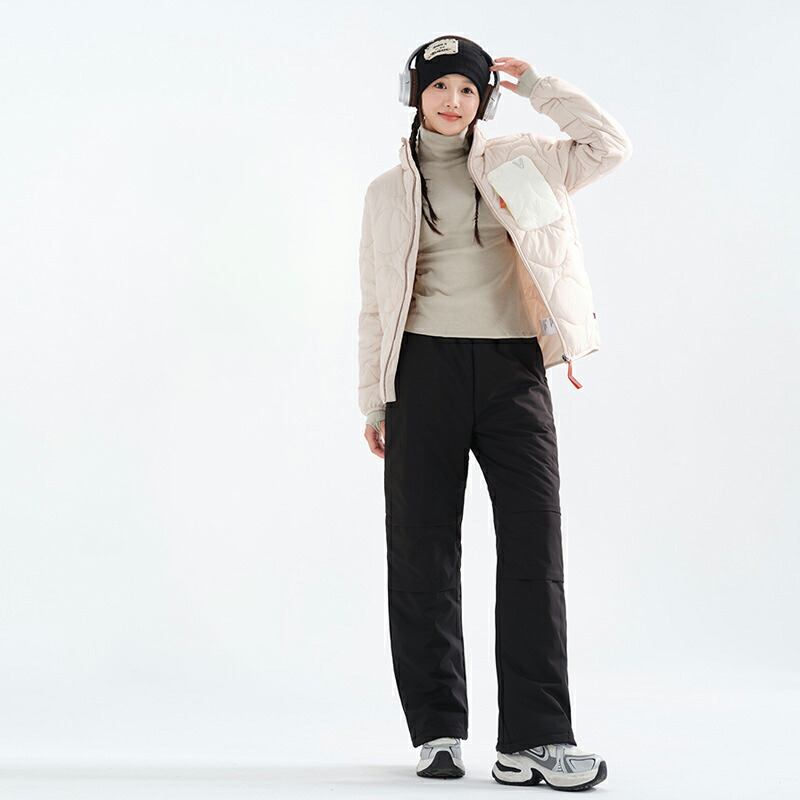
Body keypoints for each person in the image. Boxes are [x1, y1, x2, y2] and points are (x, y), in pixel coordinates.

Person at [357, 34, 632, 791]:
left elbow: (608, 147)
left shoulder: (526, 160)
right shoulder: (386, 193)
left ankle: (535, 741)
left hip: (513, 370)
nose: (453, 102)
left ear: (485, 101)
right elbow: (375, 304)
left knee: (535, 549)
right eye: (439, 87)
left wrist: (540, 86)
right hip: (421, 373)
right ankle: (437, 730)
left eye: (468, 90)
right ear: (415, 94)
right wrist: (374, 398)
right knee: (423, 552)